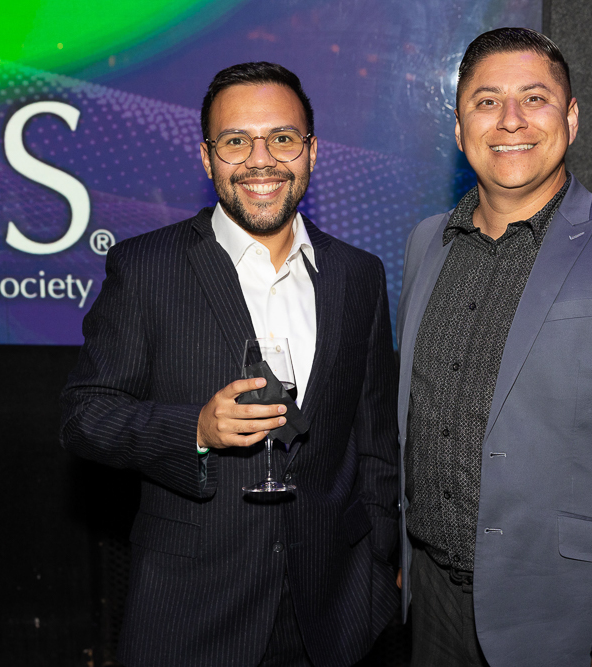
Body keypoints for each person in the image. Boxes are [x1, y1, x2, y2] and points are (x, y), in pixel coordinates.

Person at [61, 62, 399, 667]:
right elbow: (85, 416)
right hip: (193, 613)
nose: (260, 160)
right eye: (236, 141)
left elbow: (374, 442)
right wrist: (194, 429)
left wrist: (377, 562)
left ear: (311, 151)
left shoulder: (358, 275)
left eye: (282, 138)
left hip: (332, 613)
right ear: (207, 157)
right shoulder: (146, 268)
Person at [396, 28, 592, 667]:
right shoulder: (428, 242)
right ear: (459, 129)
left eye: (534, 98)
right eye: (487, 101)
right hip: (428, 602)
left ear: (570, 119)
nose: (510, 120)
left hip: (564, 616)